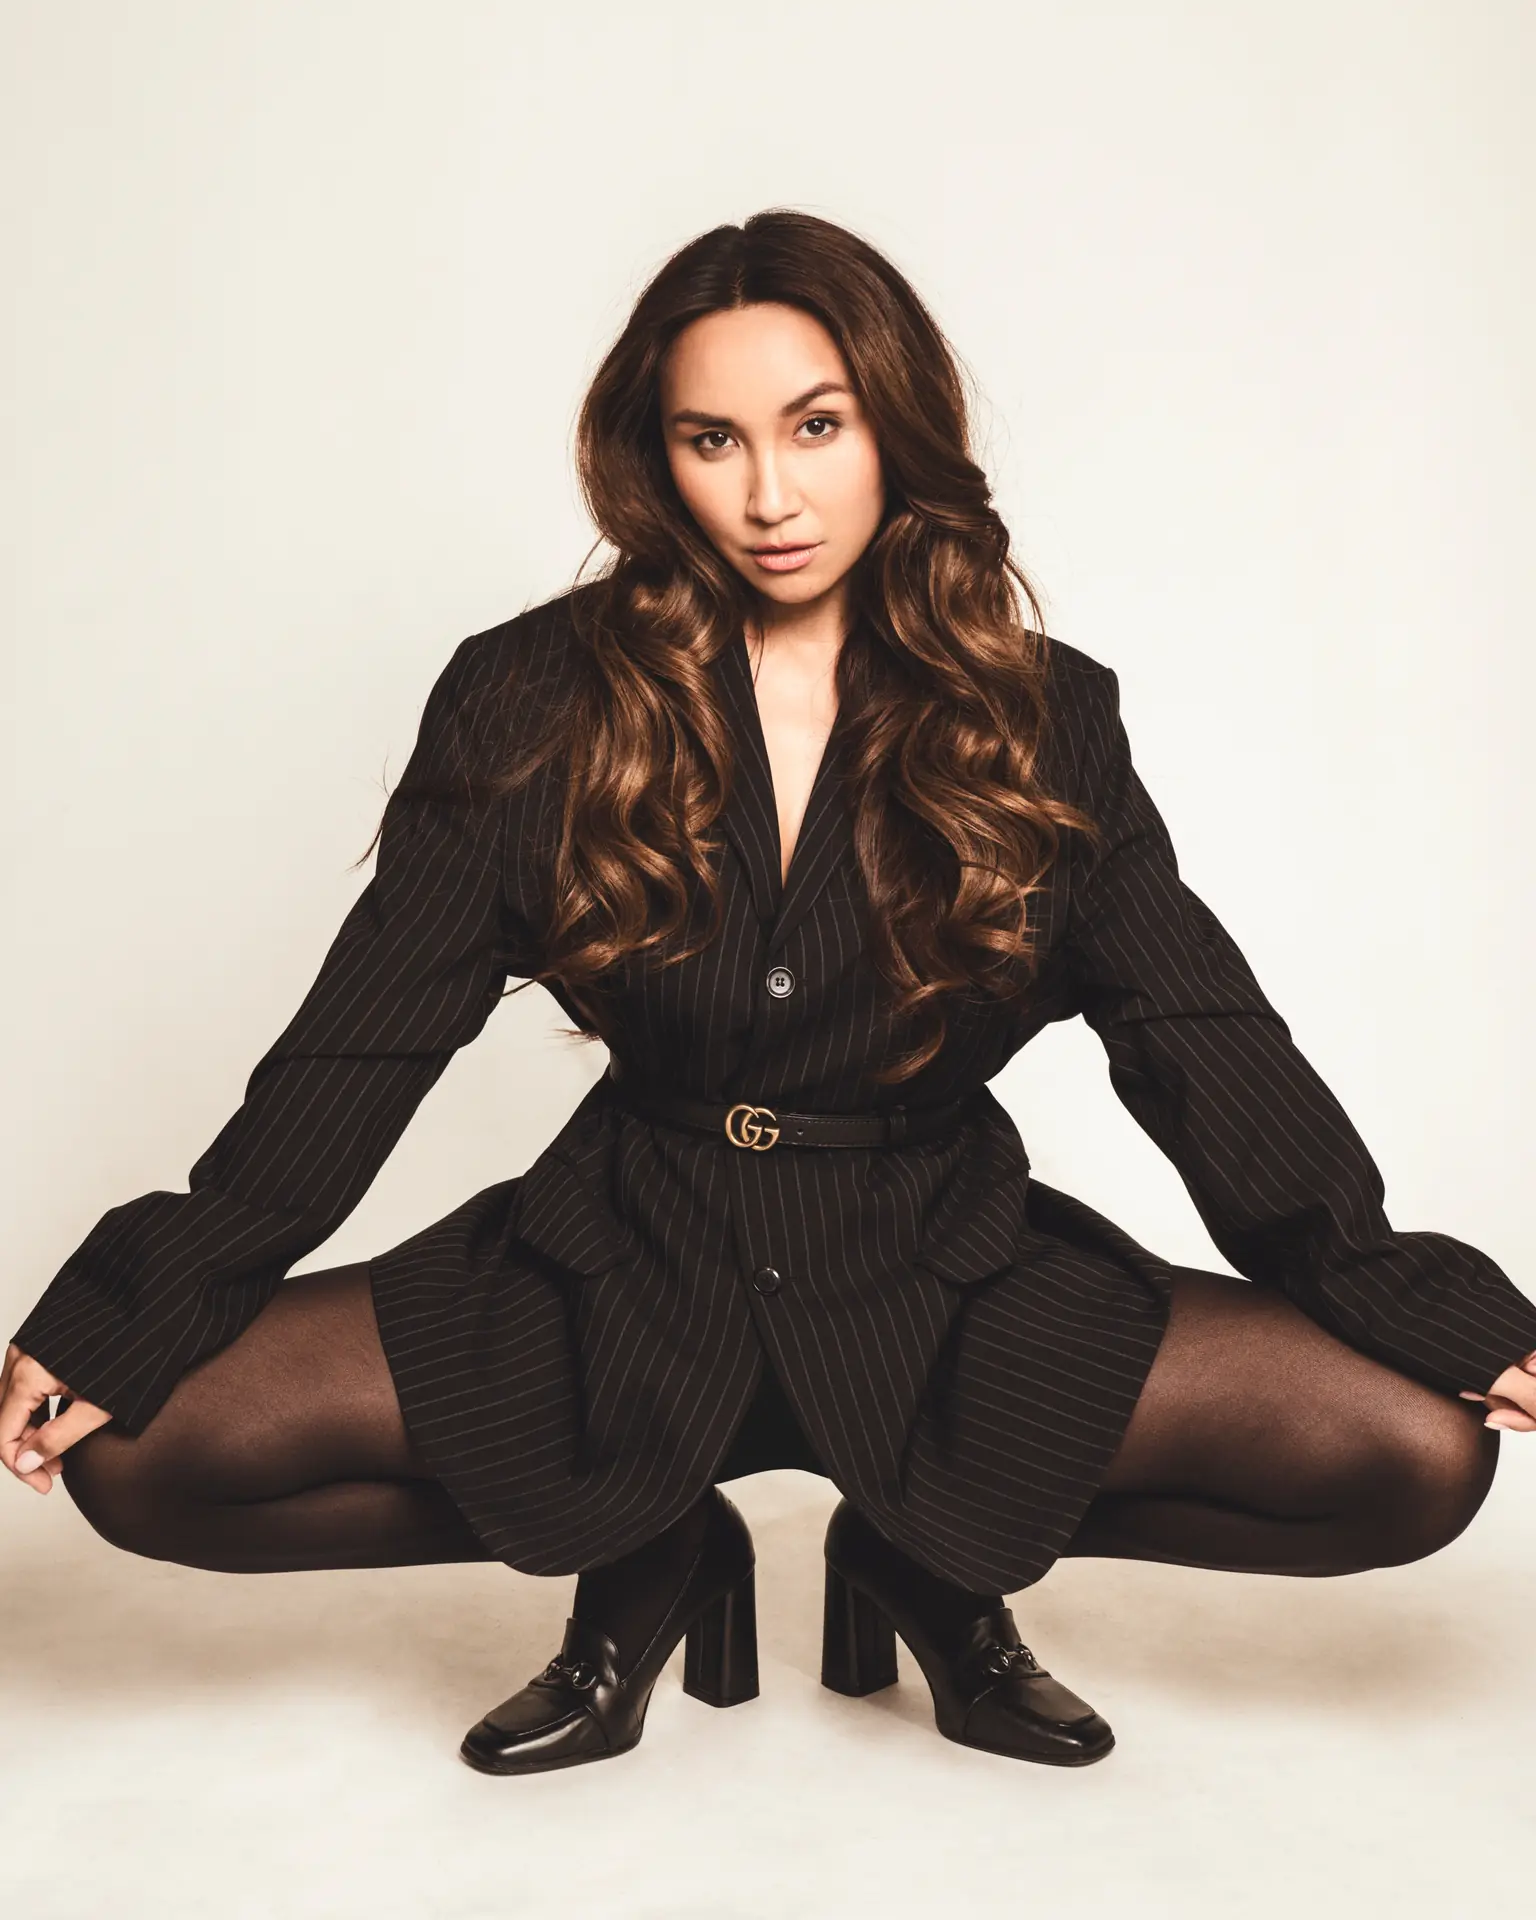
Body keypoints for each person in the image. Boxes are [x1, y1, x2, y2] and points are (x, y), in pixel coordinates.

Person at [5, 210, 1534, 1778]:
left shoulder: (1043, 718)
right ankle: (653, 1547)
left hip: (943, 1278)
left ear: (896, 427)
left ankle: (926, 1557)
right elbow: (363, 1045)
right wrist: (142, 1300)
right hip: (625, 1267)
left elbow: (1194, 1033)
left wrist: (1407, 1292)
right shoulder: (532, 697)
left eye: (816, 427)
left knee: (1417, 1454)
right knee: (143, 1450)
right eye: (711, 440)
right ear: (654, 457)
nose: (770, 496)